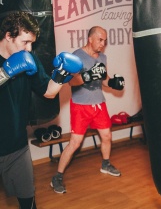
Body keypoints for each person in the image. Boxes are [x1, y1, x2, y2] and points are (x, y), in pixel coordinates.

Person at [0, 11, 83, 209]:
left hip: (17, 146)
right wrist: (4, 73)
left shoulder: (29, 59)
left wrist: (62, 75)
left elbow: (48, 92)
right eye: (25, 42)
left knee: (28, 202)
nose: (29, 49)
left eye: (32, 43)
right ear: (8, 36)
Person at [51, 26, 125, 194]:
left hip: (99, 104)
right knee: (75, 143)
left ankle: (105, 164)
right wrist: (87, 76)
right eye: (100, 40)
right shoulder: (77, 56)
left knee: (107, 136)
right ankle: (57, 176)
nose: (103, 43)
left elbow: (103, 78)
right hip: (81, 106)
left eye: (105, 40)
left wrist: (114, 83)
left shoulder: (103, 57)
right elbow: (71, 82)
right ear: (90, 39)